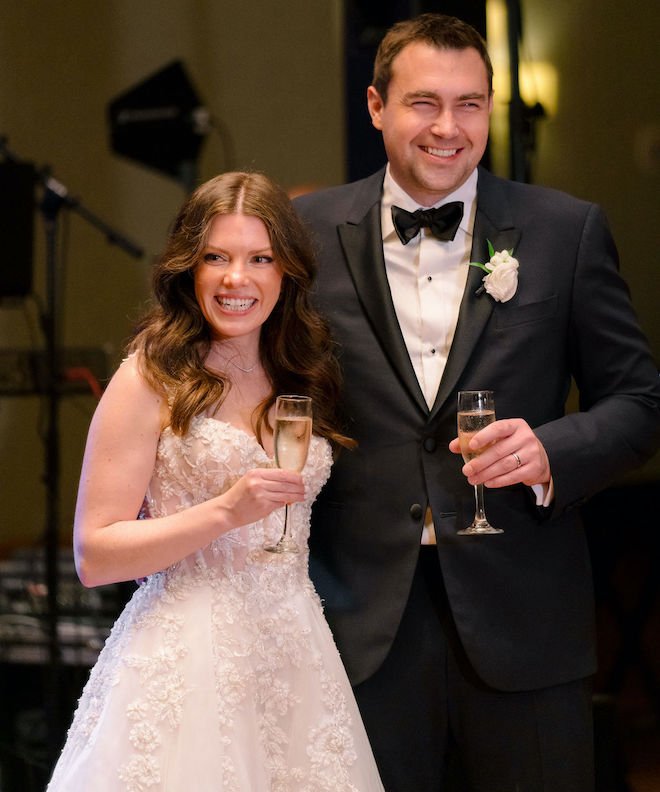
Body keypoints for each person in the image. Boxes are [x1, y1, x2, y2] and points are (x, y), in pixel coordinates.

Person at [293, 13, 660, 792]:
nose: (449, 128)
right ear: (375, 107)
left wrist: (554, 450)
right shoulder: (304, 234)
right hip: (356, 625)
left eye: (470, 104)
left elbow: (639, 401)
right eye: (425, 102)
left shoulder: (567, 230)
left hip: (526, 620)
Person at [46, 171, 385, 792]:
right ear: (188, 269)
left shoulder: (300, 369)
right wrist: (224, 512)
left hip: (294, 651)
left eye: (260, 258)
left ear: (286, 273)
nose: (238, 279)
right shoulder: (151, 374)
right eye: (217, 259)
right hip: (186, 654)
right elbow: (94, 555)